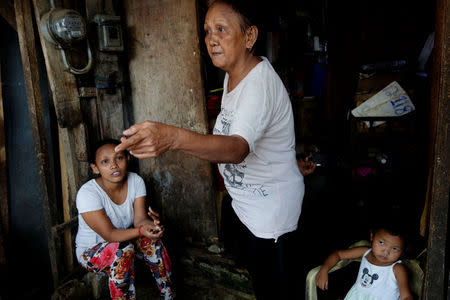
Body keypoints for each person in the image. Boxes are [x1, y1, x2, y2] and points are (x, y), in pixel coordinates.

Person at [115, 1, 315, 298]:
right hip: (247, 207)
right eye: (207, 30)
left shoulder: (259, 84)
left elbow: (236, 149)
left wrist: (171, 137)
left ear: (249, 37)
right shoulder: (233, 75)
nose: (211, 38)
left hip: (271, 218)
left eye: (221, 29)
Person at [75, 139, 174, 300]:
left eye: (119, 158)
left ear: (128, 159)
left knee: (151, 240)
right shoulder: (88, 194)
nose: (114, 165)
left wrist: (152, 225)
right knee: (123, 249)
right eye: (105, 162)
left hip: (124, 242)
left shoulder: (136, 181)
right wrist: (141, 230)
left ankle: (168, 294)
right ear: (95, 168)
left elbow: (140, 220)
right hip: (91, 252)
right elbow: (110, 235)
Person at [315, 220, 413, 300]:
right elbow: (338, 254)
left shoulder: (397, 269)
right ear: (372, 236)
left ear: (403, 250)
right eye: (381, 242)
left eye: (395, 249)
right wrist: (324, 269)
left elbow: (406, 296)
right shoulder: (365, 252)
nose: (386, 252)